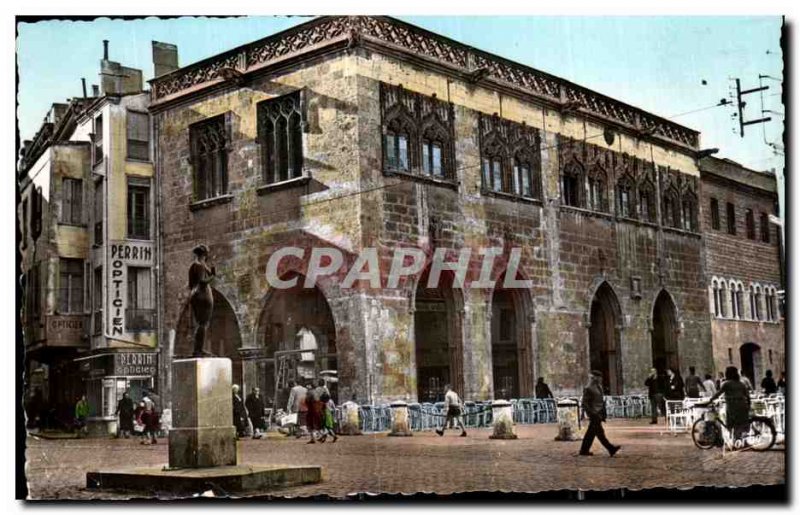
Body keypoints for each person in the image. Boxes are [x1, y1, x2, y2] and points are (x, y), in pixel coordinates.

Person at [698, 366, 750, 440]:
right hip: (742, 406)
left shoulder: (726, 384)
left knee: (730, 424)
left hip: (732, 406)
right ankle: (738, 439)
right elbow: (747, 395)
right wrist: (748, 405)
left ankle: (735, 440)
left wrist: (710, 400)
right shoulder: (741, 384)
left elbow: (718, 394)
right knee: (739, 424)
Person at [579, 370, 621, 457]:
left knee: (591, 433)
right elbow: (585, 403)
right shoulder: (588, 388)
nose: (600, 379)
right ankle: (610, 448)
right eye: (598, 377)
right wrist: (591, 413)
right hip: (595, 414)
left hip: (599, 413)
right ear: (594, 377)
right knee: (599, 433)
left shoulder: (599, 387)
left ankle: (584, 450)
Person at [307, 379, 329, 444]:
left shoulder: (313, 391)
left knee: (312, 423)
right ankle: (322, 433)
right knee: (321, 422)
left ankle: (318, 436)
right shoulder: (326, 389)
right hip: (323, 407)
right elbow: (328, 397)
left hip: (314, 408)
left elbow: (308, 400)